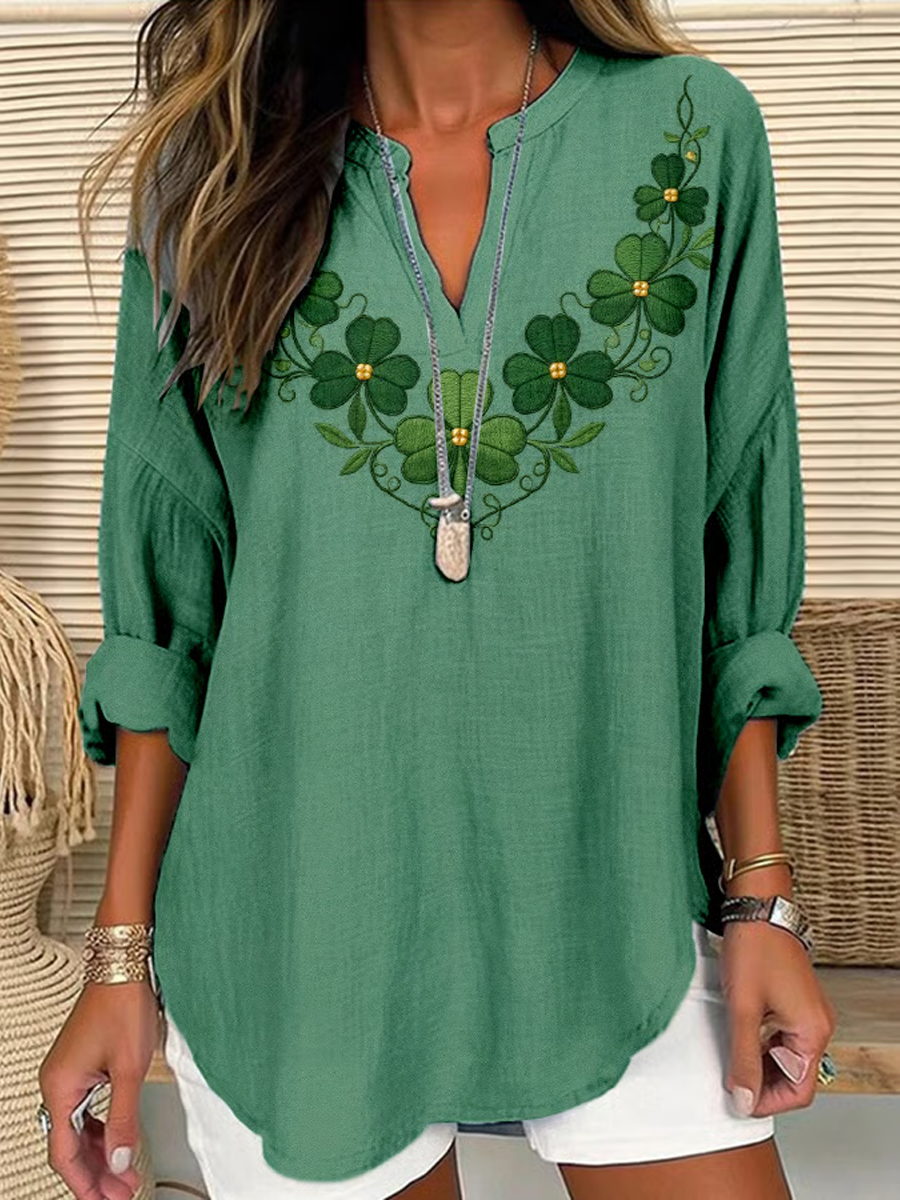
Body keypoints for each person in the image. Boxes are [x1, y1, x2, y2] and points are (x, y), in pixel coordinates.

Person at [37, 1, 838, 1198]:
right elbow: (172, 611)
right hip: (299, 921)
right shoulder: (217, 176)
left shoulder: (692, 136)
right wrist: (118, 959)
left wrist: (761, 897)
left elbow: (735, 551)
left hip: (615, 895)